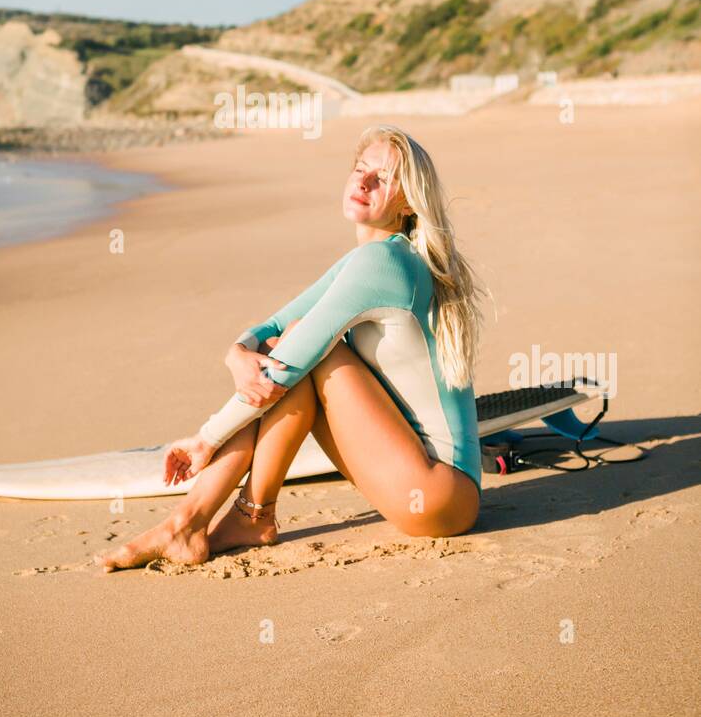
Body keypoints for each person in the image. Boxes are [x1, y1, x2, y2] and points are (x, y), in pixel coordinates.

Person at [95, 123, 486, 572]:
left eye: (384, 177)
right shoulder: (369, 259)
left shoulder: (386, 263)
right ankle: (239, 518)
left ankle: (195, 523)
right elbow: (273, 326)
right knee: (292, 342)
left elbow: (292, 355)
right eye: (360, 169)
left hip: (441, 493)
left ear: (407, 202)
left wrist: (206, 439)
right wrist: (237, 352)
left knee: (302, 349)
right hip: (426, 490)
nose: (363, 182)